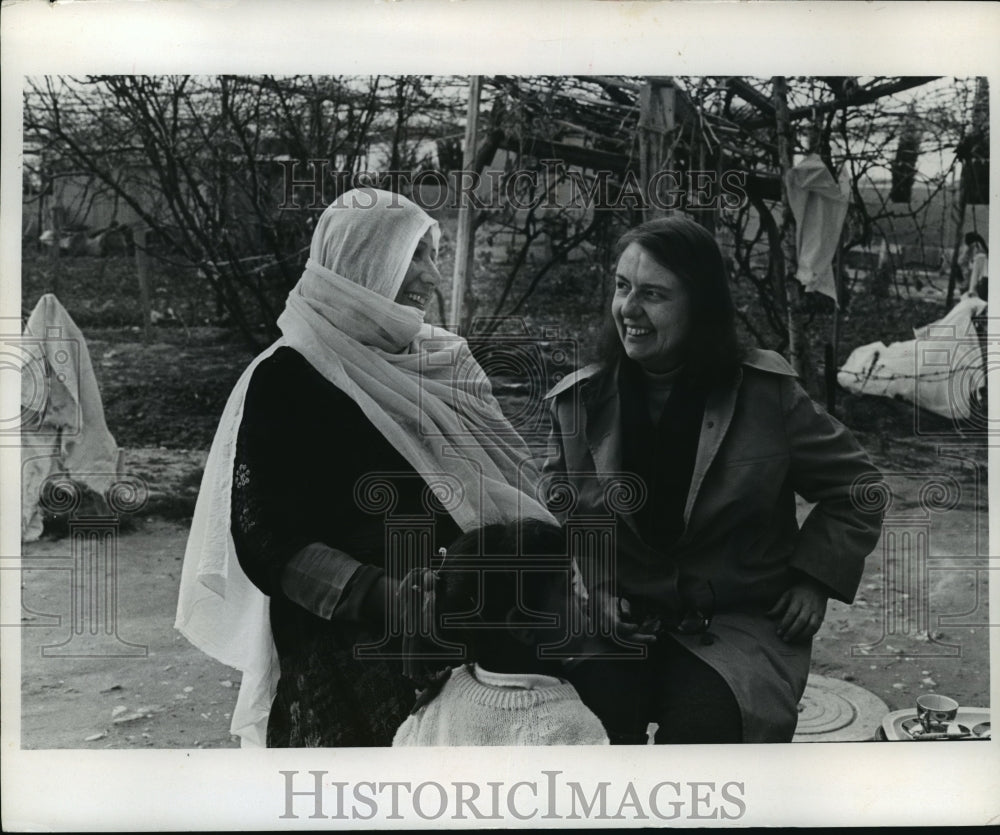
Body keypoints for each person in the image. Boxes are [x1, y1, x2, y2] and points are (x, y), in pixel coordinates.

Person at [176, 188, 554, 747]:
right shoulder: (289, 378)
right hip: (358, 638)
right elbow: (267, 536)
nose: (430, 278)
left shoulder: (443, 362)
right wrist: (395, 600)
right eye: (413, 258)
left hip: (482, 608)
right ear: (362, 266)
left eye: (432, 257)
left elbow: (512, 484)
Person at [542, 215, 884, 744]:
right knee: (583, 733)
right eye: (622, 287)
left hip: (739, 625)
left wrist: (814, 577)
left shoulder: (766, 395)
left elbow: (858, 488)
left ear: (700, 308)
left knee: (708, 739)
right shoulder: (578, 403)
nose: (628, 310)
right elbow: (564, 512)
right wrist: (598, 591)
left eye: (654, 294)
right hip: (621, 623)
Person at [392, 520, 609, 746]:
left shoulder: (438, 698)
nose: (584, 599)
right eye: (569, 589)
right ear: (522, 625)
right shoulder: (572, 728)